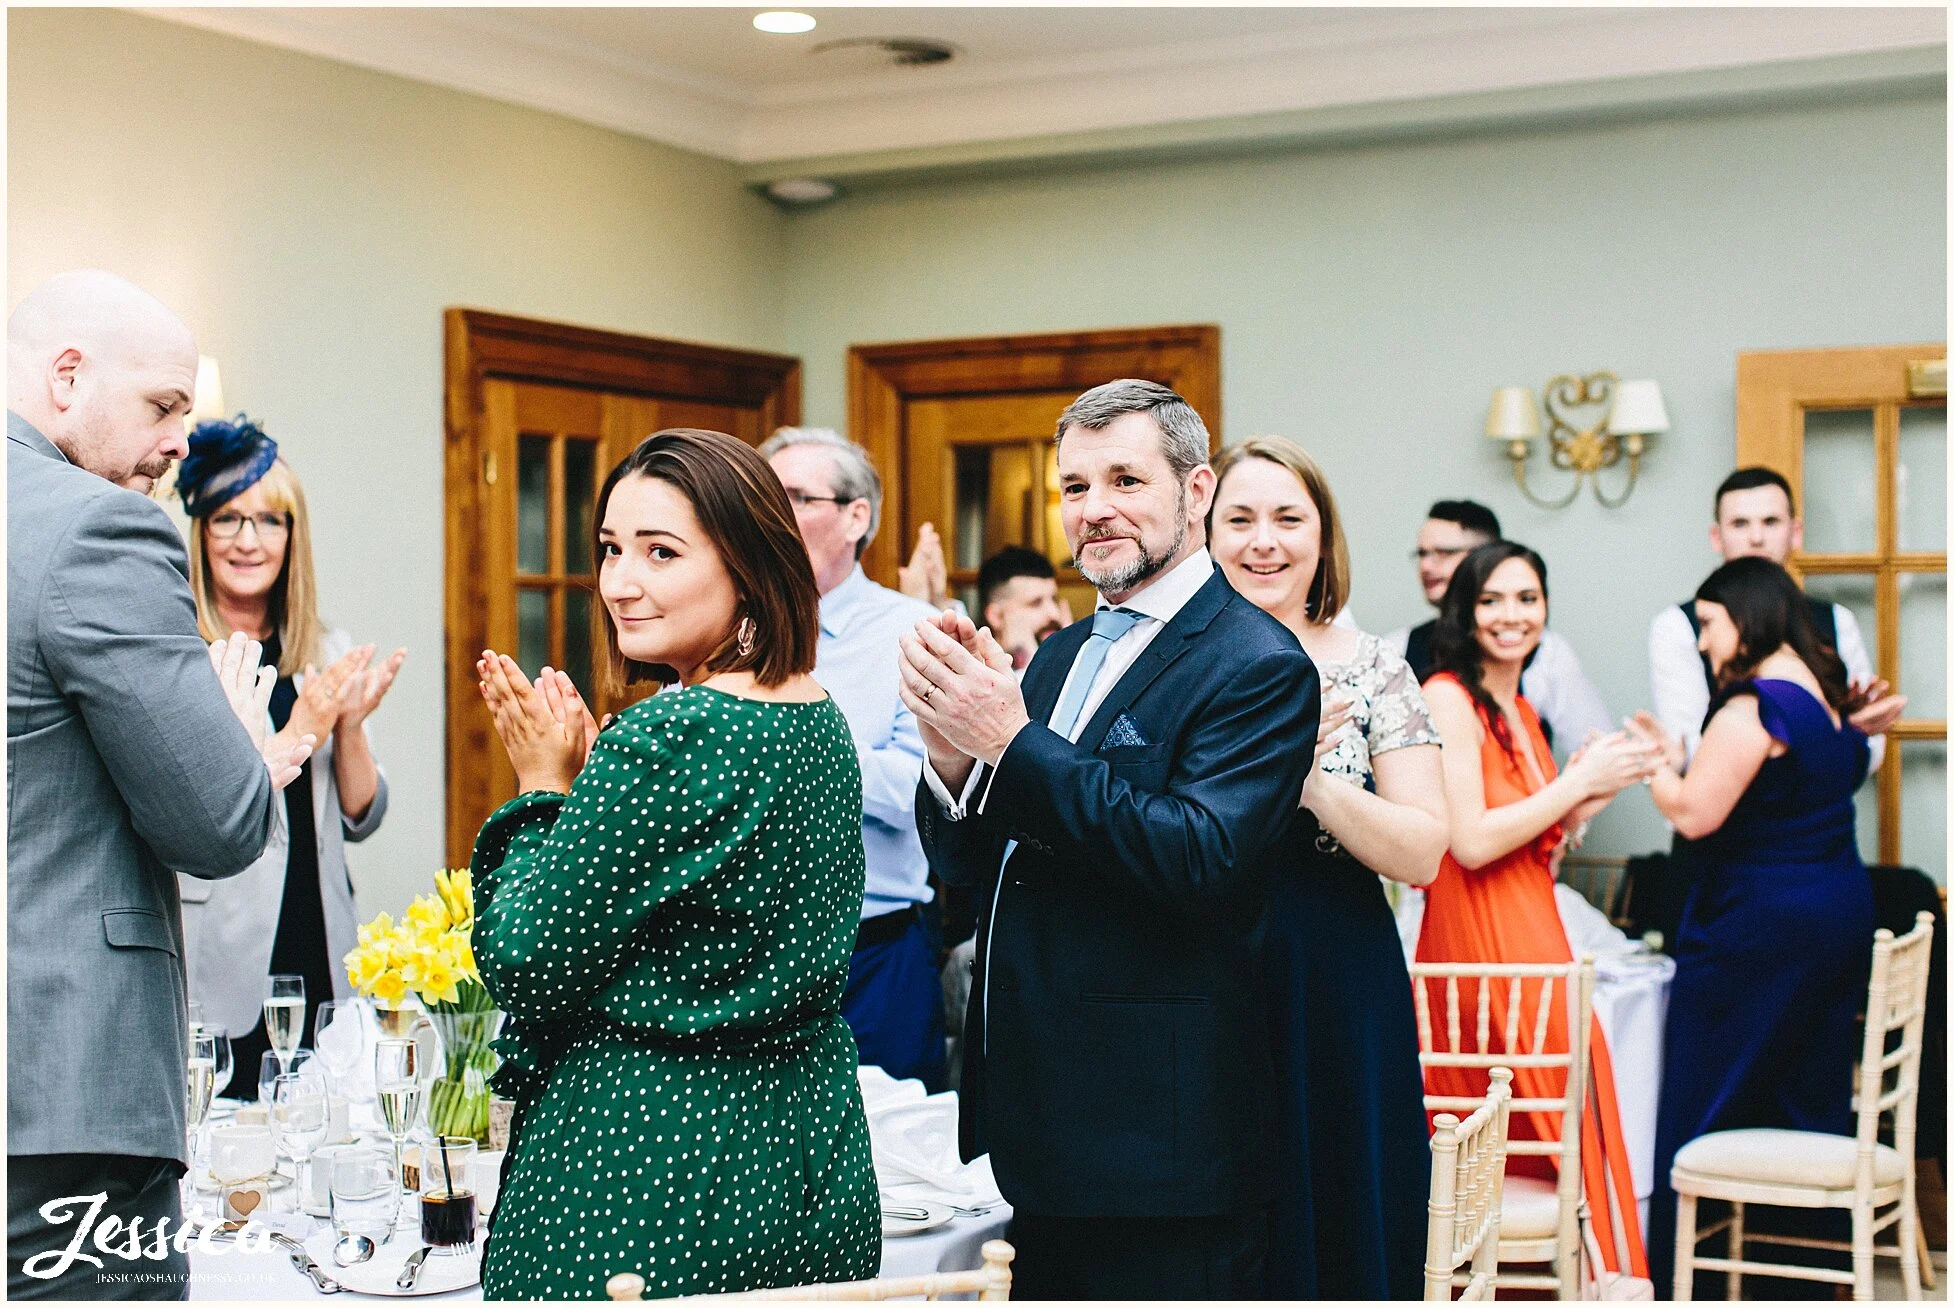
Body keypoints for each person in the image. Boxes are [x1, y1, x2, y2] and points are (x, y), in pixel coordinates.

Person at [902, 379, 1320, 1299]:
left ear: (1196, 490)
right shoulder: (1055, 657)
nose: (1095, 510)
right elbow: (975, 876)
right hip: (1035, 1121)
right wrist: (954, 761)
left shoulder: (1258, 664)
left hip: (1159, 1141)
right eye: (1075, 487)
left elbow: (1198, 859)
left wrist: (1009, 743)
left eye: (1126, 480)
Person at [470, 428, 878, 1299]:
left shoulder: (671, 734)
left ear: (749, 564)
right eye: (612, 549)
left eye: (661, 552)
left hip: (651, 1166)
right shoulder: (817, 717)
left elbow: (526, 965)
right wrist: (589, 797)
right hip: (805, 1155)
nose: (621, 583)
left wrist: (543, 788)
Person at [7, 270, 310, 1299]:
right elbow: (220, 825)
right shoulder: (97, 528)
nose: (183, 440)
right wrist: (237, 740)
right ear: (66, 376)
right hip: (63, 1094)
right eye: (165, 405)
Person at [1209, 436, 1447, 1299]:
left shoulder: (1374, 665)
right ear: (1204, 532)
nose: (1262, 540)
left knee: (1340, 1185)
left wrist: (1308, 783)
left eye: (1287, 518)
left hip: (1331, 959)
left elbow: (1423, 849)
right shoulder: (1167, 664)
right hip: (1196, 958)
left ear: (1322, 537)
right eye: (1238, 519)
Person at [1628, 557, 1876, 1297]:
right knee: (1806, 1088)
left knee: (1706, 1088)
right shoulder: (1824, 696)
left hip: (1761, 925)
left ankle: (1684, 1277)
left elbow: (1695, 814)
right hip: (1835, 911)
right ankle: (1803, 1270)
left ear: (1748, 615)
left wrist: (1654, 768)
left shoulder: (1753, 706)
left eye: (1709, 623)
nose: (1704, 643)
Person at [1416, 540, 1656, 1280]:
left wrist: (1602, 781)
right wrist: (1575, 780)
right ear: (1464, 609)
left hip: (1533, 923)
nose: (1511, 615)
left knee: (1567, 1110)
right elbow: (1474, 840)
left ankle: (1585, 1285)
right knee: (1512, 1118)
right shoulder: (1448, 697)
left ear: (1546, 608)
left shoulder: (1517, 704)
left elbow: (1539, 843)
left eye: (1526, 598)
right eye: (1491, 600)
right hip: (1477, 930)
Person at [172, 415, 406, 1093]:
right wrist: (305, 723)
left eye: (269, 521)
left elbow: (361, 816)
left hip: (319, 933)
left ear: (292, 538)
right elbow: (200, 808)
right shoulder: (178, 654)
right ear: (201, 533)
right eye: (227, 519)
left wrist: (352, 725)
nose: (249, 540)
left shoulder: (326, 649)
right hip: (222, 945)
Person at [760, 427, 945, 1089]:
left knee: (889, 1177)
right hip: (744, 957)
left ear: (854, 517)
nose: (769, 517)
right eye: (760, 497)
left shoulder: (912, 632)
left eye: (794, 498)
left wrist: (800, 737)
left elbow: (918, 793)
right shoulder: (727, 628)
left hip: (871, 960)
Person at [1647, 465, 1903, 766]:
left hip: (1820, 810)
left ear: (1795, 533)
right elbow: (1689, 752)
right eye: (1740, 523)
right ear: (1717, 537)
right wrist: (1838, 733)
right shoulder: (1677, 627)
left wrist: (1856, 731)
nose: (1756, 538)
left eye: (1771, 522)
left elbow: (1872, 751)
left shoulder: (1836, 620)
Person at [1387, 499, 1613, 753]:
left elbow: (1597, 747)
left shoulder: (1544, 655)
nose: (1426, 566)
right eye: (1422, 554)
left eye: (1443, 553)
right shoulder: (1397, 648)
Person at [976, 546, 1070, 673]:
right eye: (1035, 603)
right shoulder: (977, 674)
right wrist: (1025, 661)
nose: (1054, 614)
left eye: (1054, 599)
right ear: (996, 616)